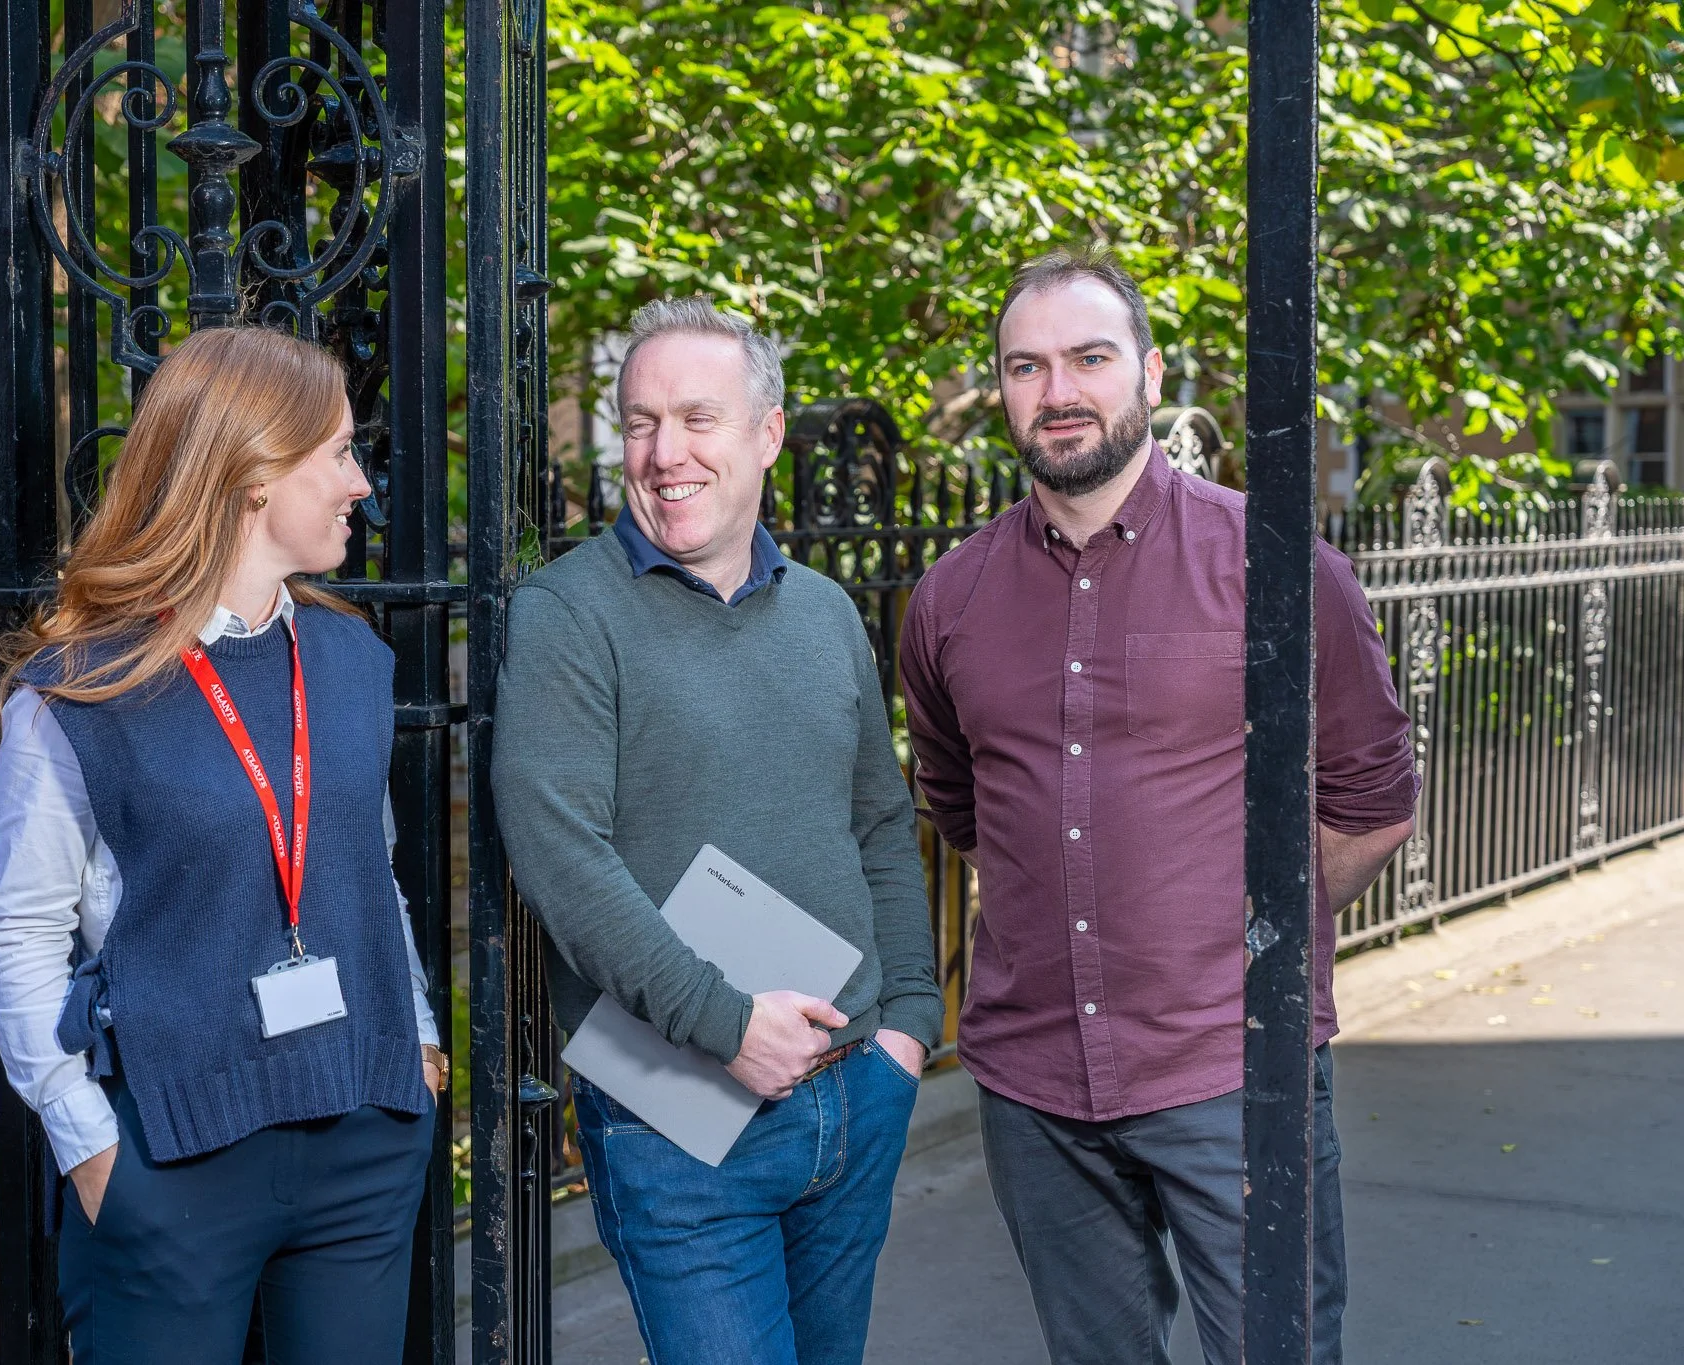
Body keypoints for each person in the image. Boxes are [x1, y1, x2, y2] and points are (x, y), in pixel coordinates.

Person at [897, 247, 1418, 1365]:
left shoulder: (1277, 566)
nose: (1058, 391)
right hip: (1035, 1086)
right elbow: (961, 804)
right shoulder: (950, 598)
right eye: (1026, 367)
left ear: (1149, 370)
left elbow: (1371, 800)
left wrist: (1239, 939)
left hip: (1232, 1069)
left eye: (1089, 358)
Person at [0, 326, 447, 1365]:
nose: (361, 484)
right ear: (252, 474)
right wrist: (91, 1148)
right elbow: (19, 940)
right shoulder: (80, 690)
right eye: (338, 452)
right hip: (171, 1157)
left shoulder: (351, 658)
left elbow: (369, 872)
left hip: (363, 1134)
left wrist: (413, 1043)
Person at [491, 297, 943, 1365]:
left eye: (698, 418)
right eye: (641, 423)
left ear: (768, 432)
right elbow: (560, 856)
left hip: (854, 1087)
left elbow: (880, 821)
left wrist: (910, 1024)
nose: (665, 453)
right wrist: (724, 1021)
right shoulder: (566, 614)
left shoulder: (825, 611)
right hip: (674, 1115)